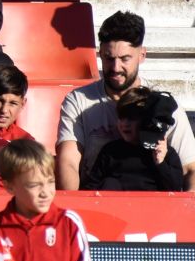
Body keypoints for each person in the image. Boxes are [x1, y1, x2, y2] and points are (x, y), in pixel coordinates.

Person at [57, 10, 195, 191]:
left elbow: (189, 168)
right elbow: (68, 162)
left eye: (125, 59)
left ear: (142, 55)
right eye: (109, 58)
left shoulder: (164, 107)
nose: (115, 67)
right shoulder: (78, 101)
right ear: (100, 54)